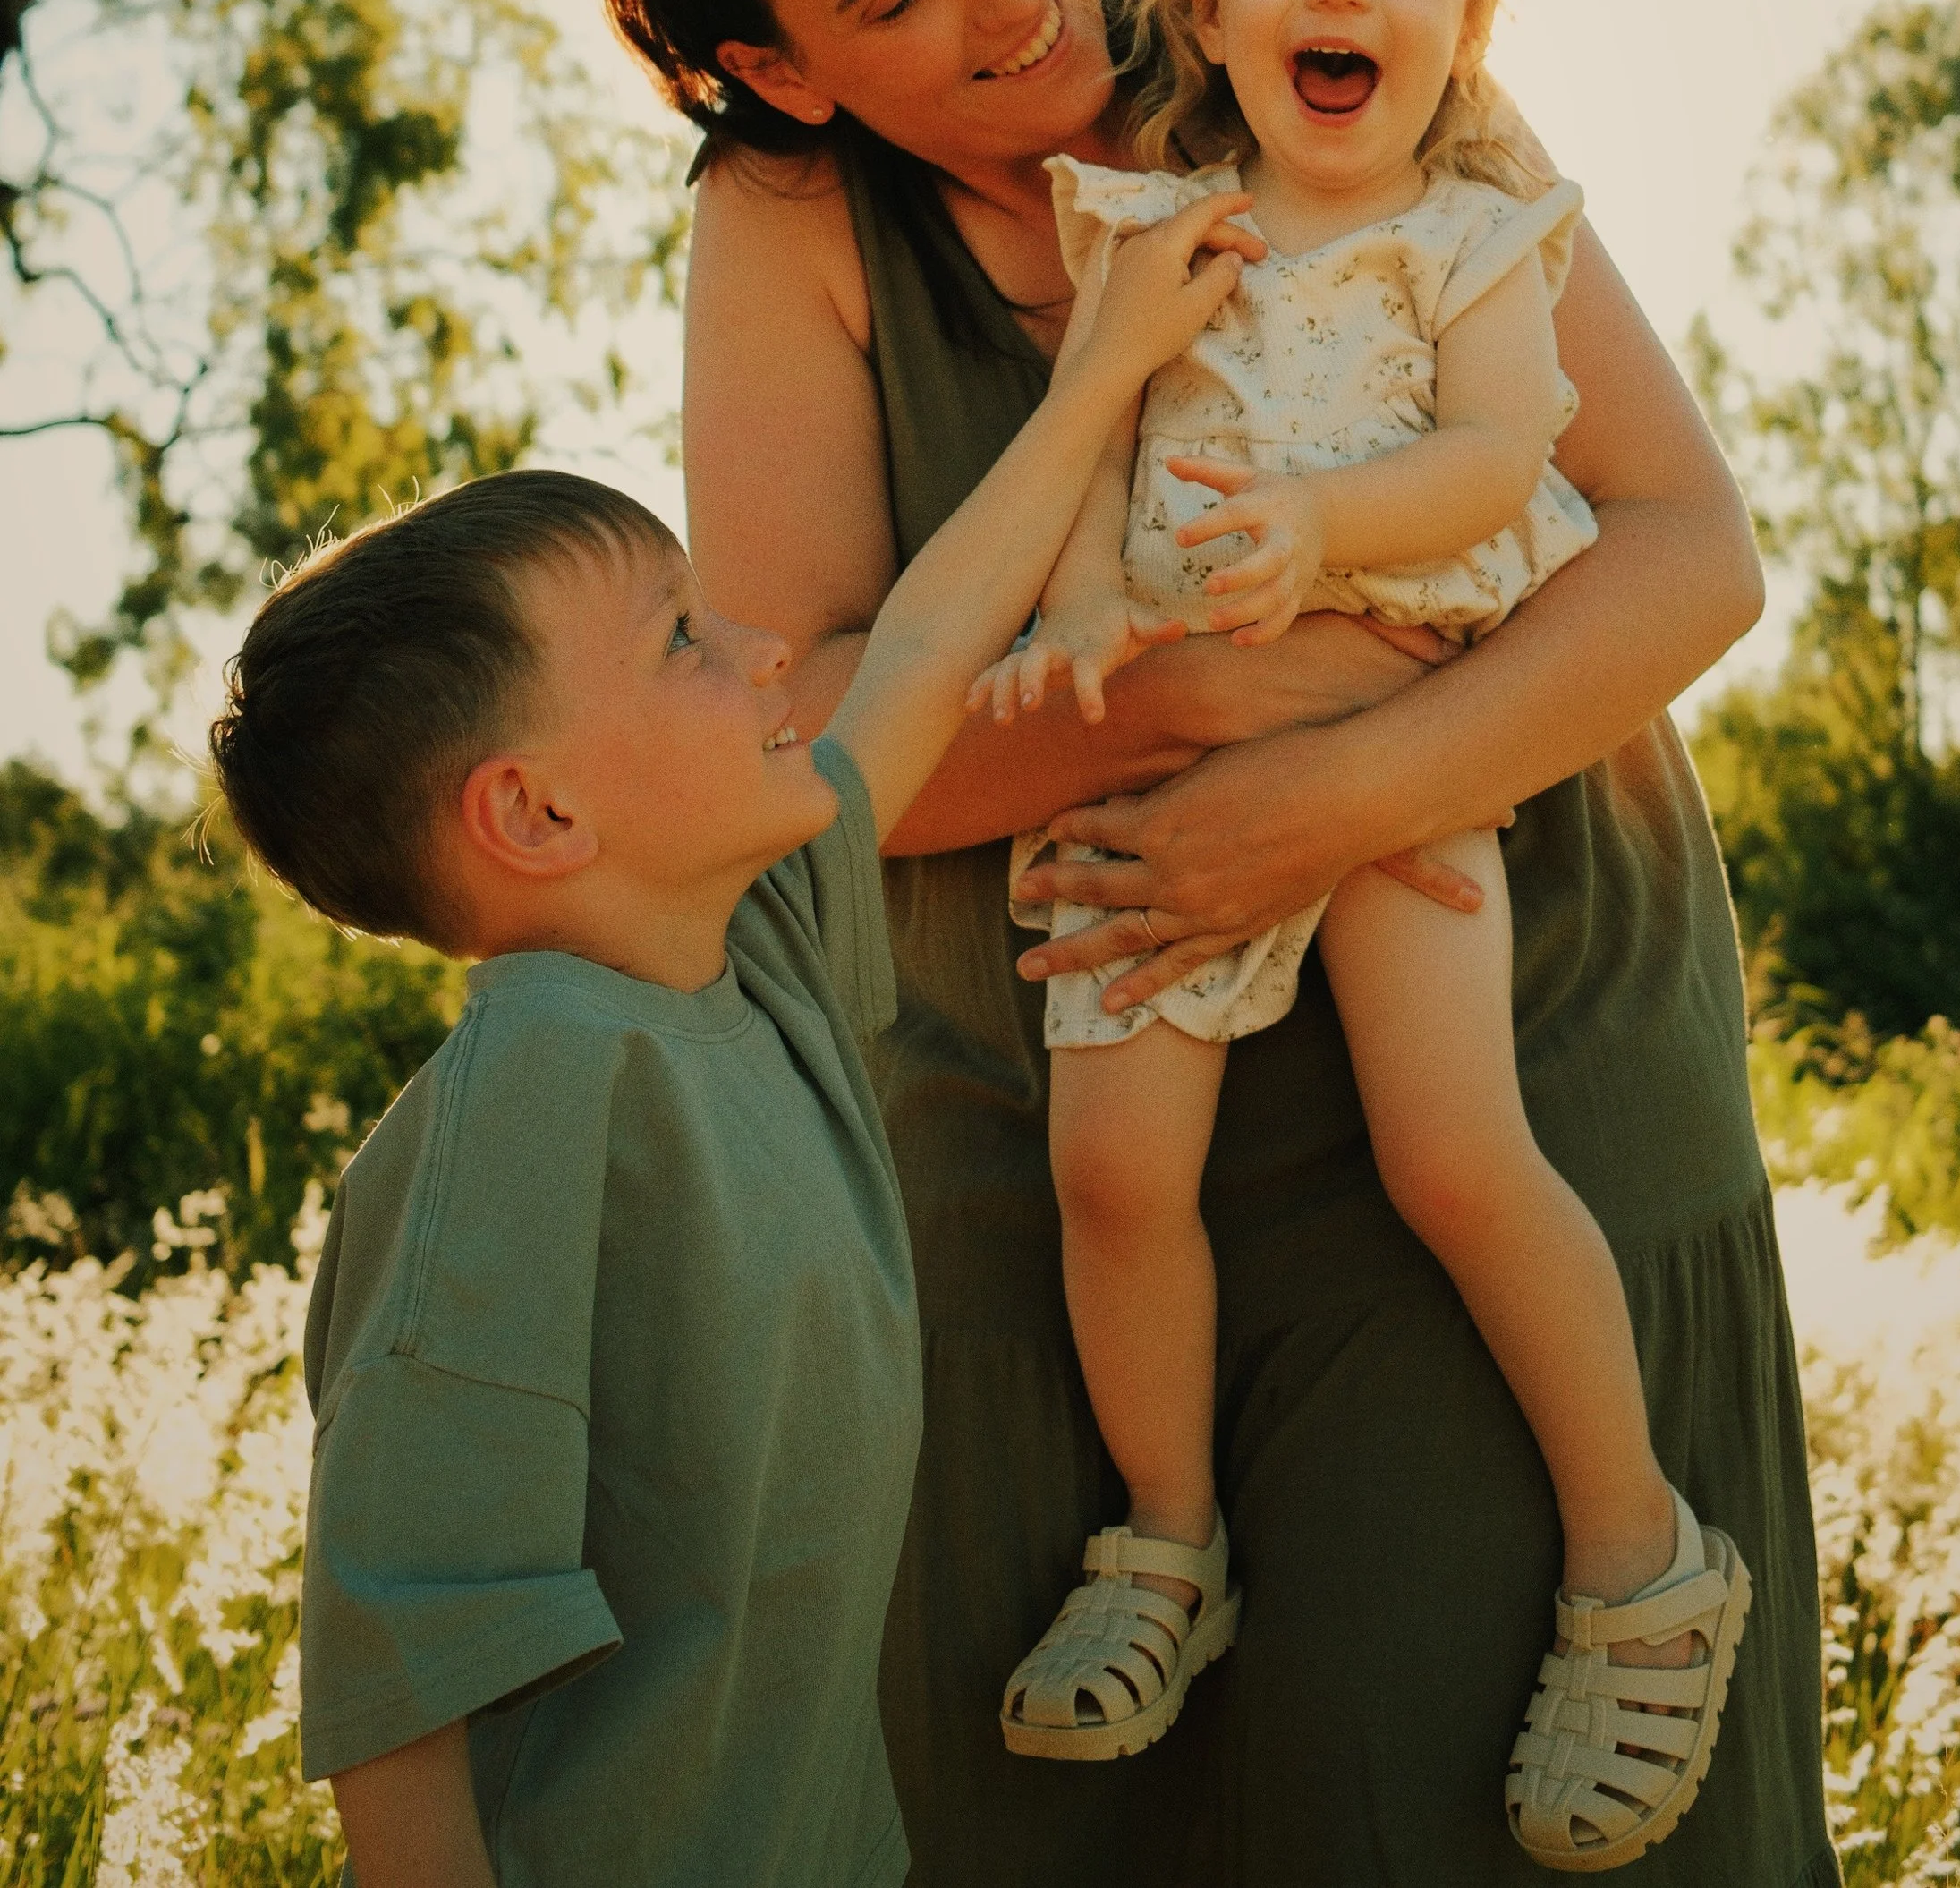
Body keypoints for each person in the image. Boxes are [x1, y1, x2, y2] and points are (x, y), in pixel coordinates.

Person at [600, 0, 1838, 1888]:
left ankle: (1635, 1568)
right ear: (782, 69)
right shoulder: (789, 215)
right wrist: (1213, 709)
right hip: (1071, 1105)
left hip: (1493, 1028)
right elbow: (811, 756)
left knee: (1441, 1798)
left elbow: (1680, 551)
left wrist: (1337, 789)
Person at [206, 195, 1252, 1888]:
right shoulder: (535, 1087)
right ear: (536, 808)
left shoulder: (749, 957)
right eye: (683, 640)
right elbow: (401, 1684)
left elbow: (917, 646)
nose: (767, 648)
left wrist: (1105, 373)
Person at [972, 0, 1747, 1868]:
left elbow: (1505, 465)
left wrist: (1316, 524)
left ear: (1466, 20)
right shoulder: (1150, 232)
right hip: (1173, 770)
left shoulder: (1478, 241)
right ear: (1206, 12)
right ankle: (1164, 1541)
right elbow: (1091, 455)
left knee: (1453, 1154)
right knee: (1113, 1172)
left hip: (1407, 758)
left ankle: (1641, 1566)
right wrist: (1062, 623)